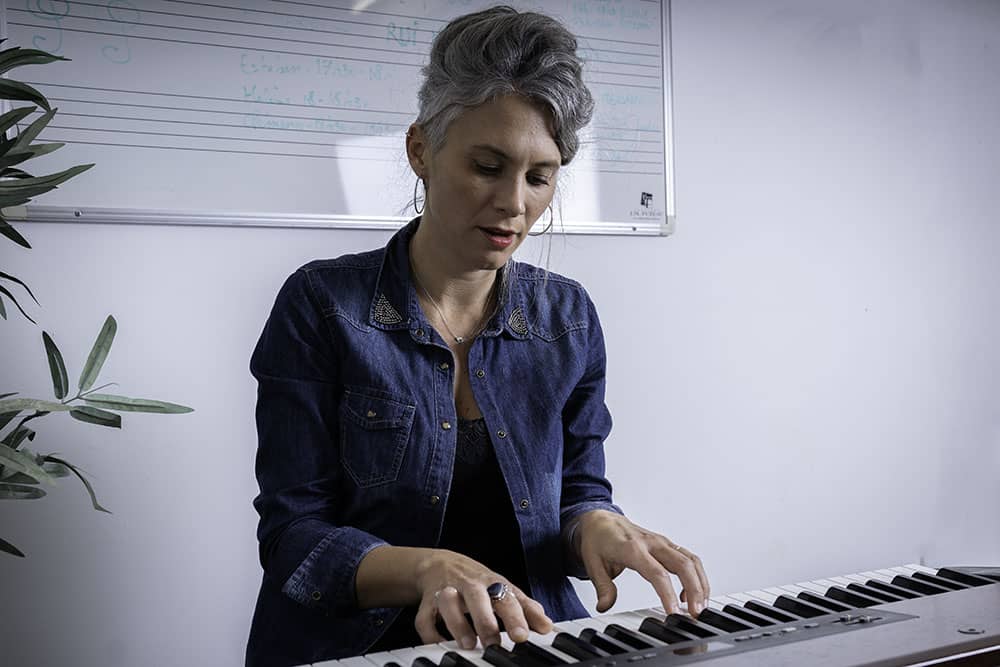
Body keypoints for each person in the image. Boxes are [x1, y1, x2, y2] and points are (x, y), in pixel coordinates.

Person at [246, 7, 709, 667]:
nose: (514, 203)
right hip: (357, 650)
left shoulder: (568, 317)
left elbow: (578, 489)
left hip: (531, 642)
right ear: (420, 151)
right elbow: (295, 537)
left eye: (539, 177)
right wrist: (429, 567)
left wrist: (596, 524)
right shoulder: (321, 306)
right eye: (488, 166)